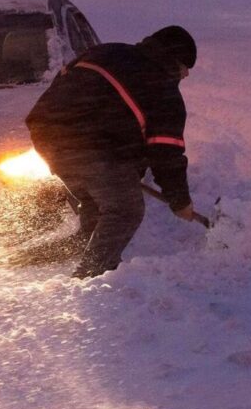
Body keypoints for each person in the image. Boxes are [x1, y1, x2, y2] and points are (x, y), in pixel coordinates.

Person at [26, 25, 200, 278]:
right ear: (174, 60)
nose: (185, 75)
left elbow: (66, 86)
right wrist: (180, 201)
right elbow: (166, 154)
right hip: (91, 145)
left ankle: (86, 253)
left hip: (45, 134)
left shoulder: (107, 51)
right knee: (125, 209)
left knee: (96, 202)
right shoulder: (162, 86)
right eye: (186, 67)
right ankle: (90, 278)